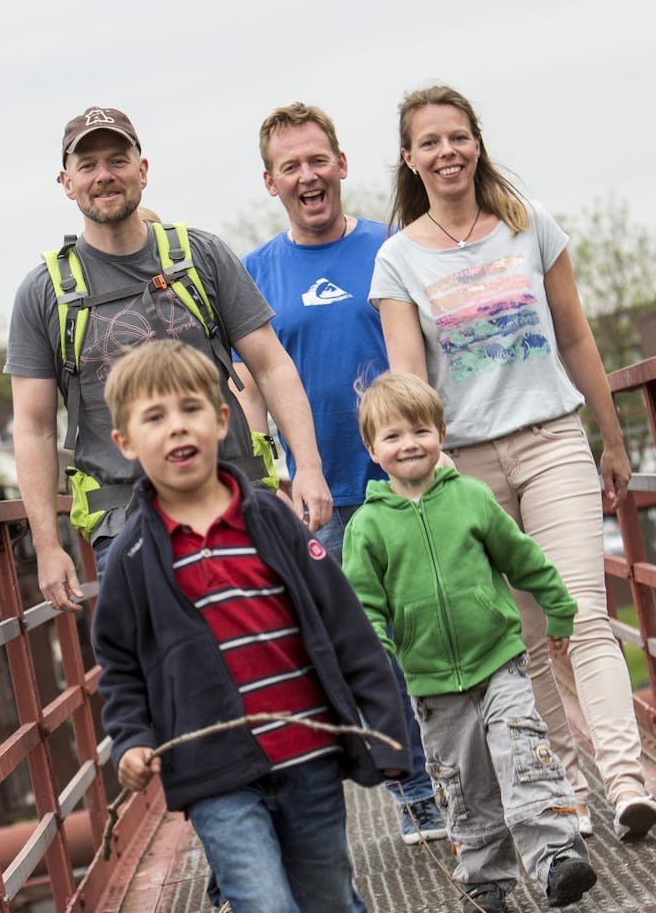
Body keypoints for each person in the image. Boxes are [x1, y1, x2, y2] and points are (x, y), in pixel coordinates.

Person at [370, 83, 656, 843]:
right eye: (430, 142)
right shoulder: (397, 260)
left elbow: (576, 338)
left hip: (552, 439)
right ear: (409, 158)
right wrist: (420, 476)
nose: (447, 152)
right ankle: (563, 786)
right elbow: (408, 375)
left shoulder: (530, 227)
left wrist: (613, 437)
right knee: (523, 636)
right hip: (463, 463)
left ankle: (626, 780)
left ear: (477, 142)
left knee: (583, 614)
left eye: (458, 136)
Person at [91, 340, 411, 913]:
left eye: (191, 409)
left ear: (221, 421)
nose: (176, 429)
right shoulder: (131, 558)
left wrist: (384, 722)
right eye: (154, 418)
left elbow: (343, 620)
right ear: (125, 444)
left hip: (307, 750)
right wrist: (132, 740)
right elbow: (118, 664)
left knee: (328, 897)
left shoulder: (269, 518)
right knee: (263, 903)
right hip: (215, 773)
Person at [3, 105, 332, 612]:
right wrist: (47, 548)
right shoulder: (44, 293)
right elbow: (33, 427)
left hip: (238, 506)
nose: (104, 176)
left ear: (143, 170)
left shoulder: (200, 256)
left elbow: (271, 364)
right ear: (66, 182)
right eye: (87, 166)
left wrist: (307, 467)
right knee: (164, 682)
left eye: (117, 160)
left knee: (279, 657)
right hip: (126, 528)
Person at [232, 102, 445, 847]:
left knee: (435, 632)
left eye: (317, 158)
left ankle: (468, 776)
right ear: (270, 182)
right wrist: (272, 485)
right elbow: (249, 392)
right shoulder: (254, 274)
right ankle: (420, 791)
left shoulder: (392, 249)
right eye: (290, 165)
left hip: (409, 479)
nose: (307, 174)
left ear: (343, 164)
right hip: (321, 501)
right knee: (372, 649)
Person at [343, 371, 597, 912]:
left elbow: (520, 555)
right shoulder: (366, 527)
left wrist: (559, 607)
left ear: (441, 435)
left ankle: (556, 860)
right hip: (432, 683)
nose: (408, 444)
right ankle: (486, 880)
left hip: (499, 660)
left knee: (524, 754)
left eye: (420, 431)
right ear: (372, 448)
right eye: (392, 436)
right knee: (464, 782)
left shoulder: (472, 498)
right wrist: (371, 666)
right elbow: (362, 608)